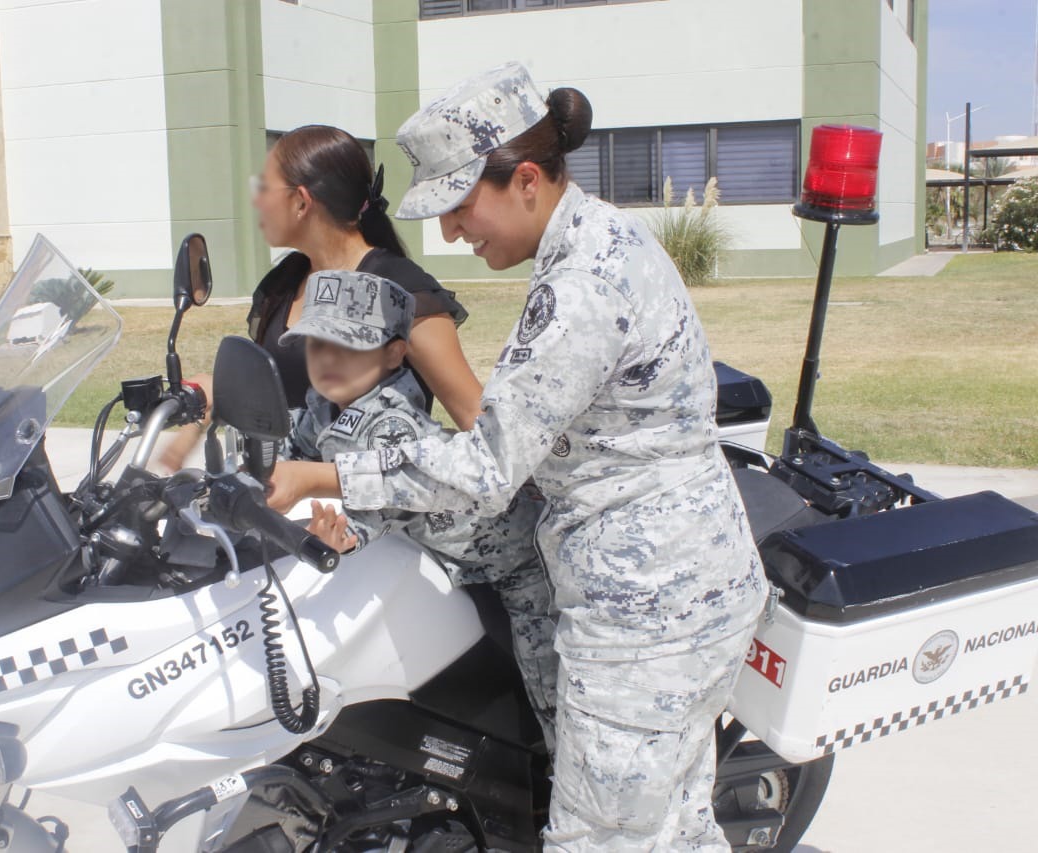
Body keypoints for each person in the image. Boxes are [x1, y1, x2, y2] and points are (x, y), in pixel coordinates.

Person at [267, 63, 767, 851]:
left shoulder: (583, 289)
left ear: (525, 179)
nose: (452, 233)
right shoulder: (599, 239)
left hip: (646, 613)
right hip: (674, 593)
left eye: (461, 206)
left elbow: (488, 468)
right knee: (672, 829)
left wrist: (327, 476)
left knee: (601, 839)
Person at [278, 268, 558, 751]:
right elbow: (298, 438)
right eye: (316, 345)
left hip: (514, 564)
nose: (327, 361)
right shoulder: (326, 402)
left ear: (393, 352)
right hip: (442, 553)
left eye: (347, 347)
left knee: (548, 684)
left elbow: (380, 507)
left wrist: (340, 538)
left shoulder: (390, 423)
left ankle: (561, 775)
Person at [159, 125, 481, 472]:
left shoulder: (401, 291)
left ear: (300, 201)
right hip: (285, 509)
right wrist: (202, 411)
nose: (256, 200)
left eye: (264, 187)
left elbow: (475, 422)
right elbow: (272, 394)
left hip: (374, 510)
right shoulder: (280, 285)